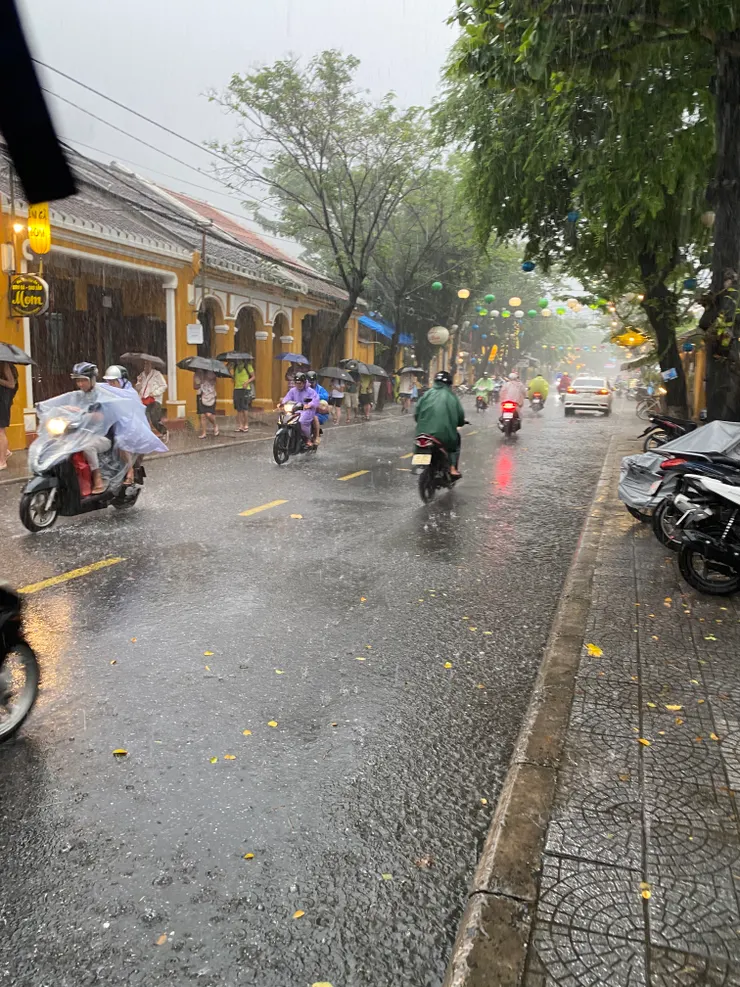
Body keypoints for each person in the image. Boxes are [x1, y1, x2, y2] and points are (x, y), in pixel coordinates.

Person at [415, 370, 466, 478]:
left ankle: (419, 464)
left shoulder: (426, 394)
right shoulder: (451, 396)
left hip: (423, 433)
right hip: (443, 434)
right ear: (449, 384)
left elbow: (416, 413)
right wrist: (460, 422)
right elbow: (460, 416)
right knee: (455, 442)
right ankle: (452, 468)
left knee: (419, 443)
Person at [69, 362, 111, 494]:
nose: (80, 384)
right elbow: (69, 409)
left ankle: (97, 477)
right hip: (82, 433)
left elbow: (102, 416)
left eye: (83, 380)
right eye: (78, 381)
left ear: (92, 379)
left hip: (102, 436)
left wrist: (86, 414)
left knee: (88, 447)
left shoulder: (102, 395)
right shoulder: (78, 396)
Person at [278, 371, 319, 447]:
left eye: (300, 383)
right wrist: (282, 404)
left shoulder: (310, 391)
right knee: (283, 419)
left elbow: (316, 400)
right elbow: (287, 398)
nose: (298, 385)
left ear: (304, 382)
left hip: (306, 411)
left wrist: (309, 405)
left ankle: (307, 439)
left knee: (301, 421)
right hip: (294, 410)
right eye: (296, 383)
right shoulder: (293, 390)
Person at [136, 360, 168, 443]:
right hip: (143, 400)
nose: (146, 366)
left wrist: (155, 393)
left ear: (152, 365)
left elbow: (164, 386)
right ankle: (147, 437)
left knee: (155, 419)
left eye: (148, 364)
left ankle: (164, 432)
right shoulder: (141, 375)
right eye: (145, 364)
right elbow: (138, 389)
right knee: (144, 419)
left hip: (154, 400)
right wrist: (138, 383)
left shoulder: (157, 374)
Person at [0, 361, 18, 471]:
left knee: (0, 431)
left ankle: (2, 462)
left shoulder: (4, 364)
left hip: (2, 401)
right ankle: (5, 451)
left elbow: (11, 384)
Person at [194, 369, 219, 438]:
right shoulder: (197, 373)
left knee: (209, 414)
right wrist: (199, 383)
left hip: (210, 396)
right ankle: (204, 433)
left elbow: (214, 383)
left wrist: (207, 379)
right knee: (202, 416)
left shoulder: (212, 373)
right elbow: (195, 387)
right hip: (201, 395)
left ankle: (215, 424)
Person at [307, 371, 330, 445]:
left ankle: (317, 437)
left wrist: (317, 396)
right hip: (305, 410)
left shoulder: (320, 389)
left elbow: (326, 396)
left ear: (316, 381)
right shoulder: (302, 388)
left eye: (312, 381)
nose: (311, 383)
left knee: (314, 417)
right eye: (309, 381)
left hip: (317, 412)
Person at [233, 359, 255, 432]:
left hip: (245, 389)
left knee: (244, 408)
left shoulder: (247, 366)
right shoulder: (236, 366)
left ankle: (246, 424)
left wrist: (247, 382)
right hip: (237, 388)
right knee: (238, 408)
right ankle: (240, 425)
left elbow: (253, 376)